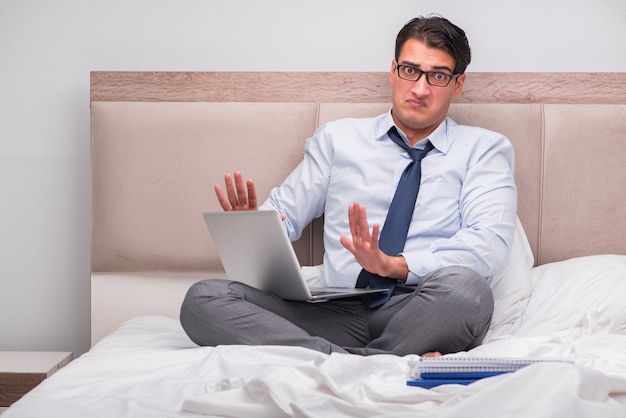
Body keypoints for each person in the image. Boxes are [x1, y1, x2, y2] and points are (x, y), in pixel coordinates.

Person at [180, 15, 517, 357]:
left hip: (418, 308)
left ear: (457, 84)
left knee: (466, 291)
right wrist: (251, 228)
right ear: (392, 70)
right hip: (334, 313)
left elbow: (490, 245)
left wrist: (395, 265)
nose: (419, 88)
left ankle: (324, 358)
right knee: (203, 299)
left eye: (439, 76)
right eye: (410, 70)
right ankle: (364, 360)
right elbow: (284, 215)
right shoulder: (338, 140)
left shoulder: (484, 149)